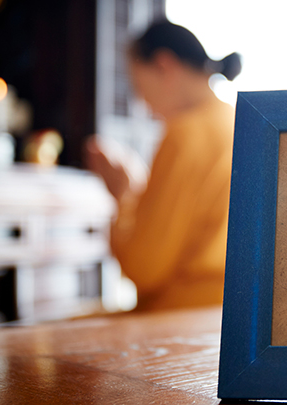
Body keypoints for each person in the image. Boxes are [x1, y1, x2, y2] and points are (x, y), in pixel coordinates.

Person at [85, 19, 240, 312]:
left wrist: (124, 194)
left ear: (163, 67)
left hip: (184, 315)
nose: (145, 105)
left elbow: (145, 269)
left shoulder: (185, 135)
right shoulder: (235, 121)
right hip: (229, 312)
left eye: (139, 87)